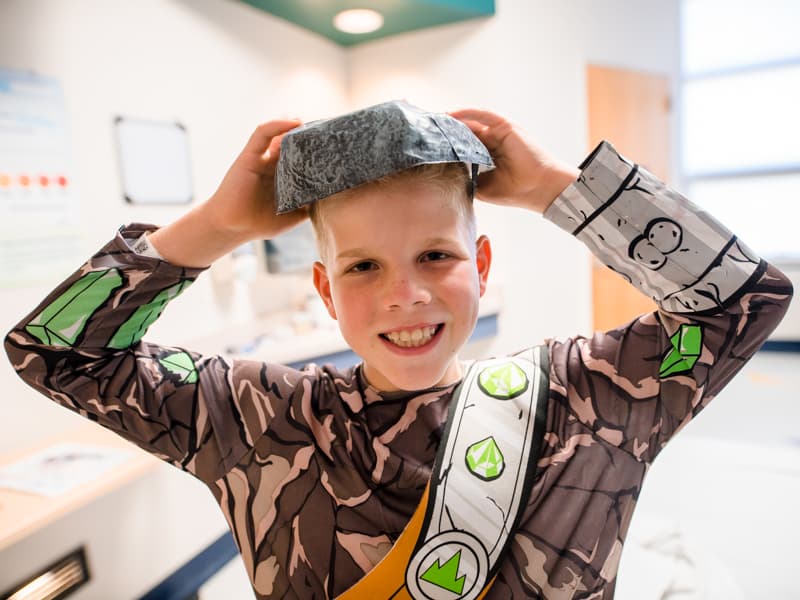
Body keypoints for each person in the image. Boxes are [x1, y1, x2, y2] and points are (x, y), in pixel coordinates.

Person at [4, 100, 792, 599]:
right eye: (363, 266)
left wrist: (556, 185)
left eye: (437, 256)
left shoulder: (582, 399)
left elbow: (744, 300)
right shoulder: (260, 418)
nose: (404, 295)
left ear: (480, 266)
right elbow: (54, 352)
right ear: (324, 288)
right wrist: (216, 225)